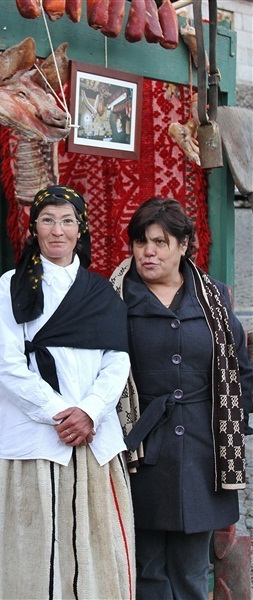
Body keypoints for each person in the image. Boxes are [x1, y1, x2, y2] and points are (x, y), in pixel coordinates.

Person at [0, 185, 135, 599]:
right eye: (48, 220)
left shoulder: (99, 291)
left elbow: (117, 359)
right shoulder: (12, 286)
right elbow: (6, 366)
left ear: (80, 229)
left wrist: (90, 411)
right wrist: (59, 413)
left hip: (93, 436)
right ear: (33, 228)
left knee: (96, 546)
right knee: (35, 549)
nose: (57, 231)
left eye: (67, 221)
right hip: (38, 438)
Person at [110, 197, 253, 600]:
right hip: (140, 449)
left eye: (160, 242)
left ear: (183, 245)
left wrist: (233, 423)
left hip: (204, 451)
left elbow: (240, 369)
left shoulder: (214, 298)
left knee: (192, 570)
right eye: (141, 242)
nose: (148, 252)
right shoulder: (115, 299)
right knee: (148, 570)